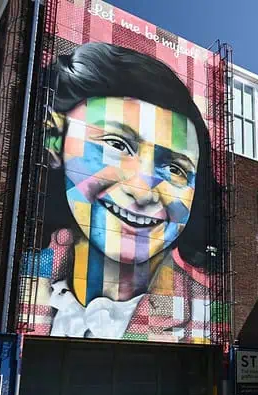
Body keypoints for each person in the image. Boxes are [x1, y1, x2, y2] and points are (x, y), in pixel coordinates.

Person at [29, 42, 220, 342]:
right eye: (117, 145)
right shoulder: (23, 281)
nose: (143, 192)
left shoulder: (207, 316)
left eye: (175, 169)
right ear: (55, 140)